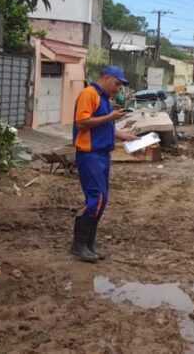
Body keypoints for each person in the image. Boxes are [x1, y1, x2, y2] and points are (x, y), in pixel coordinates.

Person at [71, 66, 137, 263]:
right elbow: (82, 122)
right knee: (96, 199)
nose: (118, 88)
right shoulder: (89, 94)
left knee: (102, 200)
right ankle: (79, 245)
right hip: (89, 154)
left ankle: (89, 243)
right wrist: (110, 117)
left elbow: (103, 125)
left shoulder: (104, 99)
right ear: (107, 78)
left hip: (102, 154)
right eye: (117, 83)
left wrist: (121, 135)